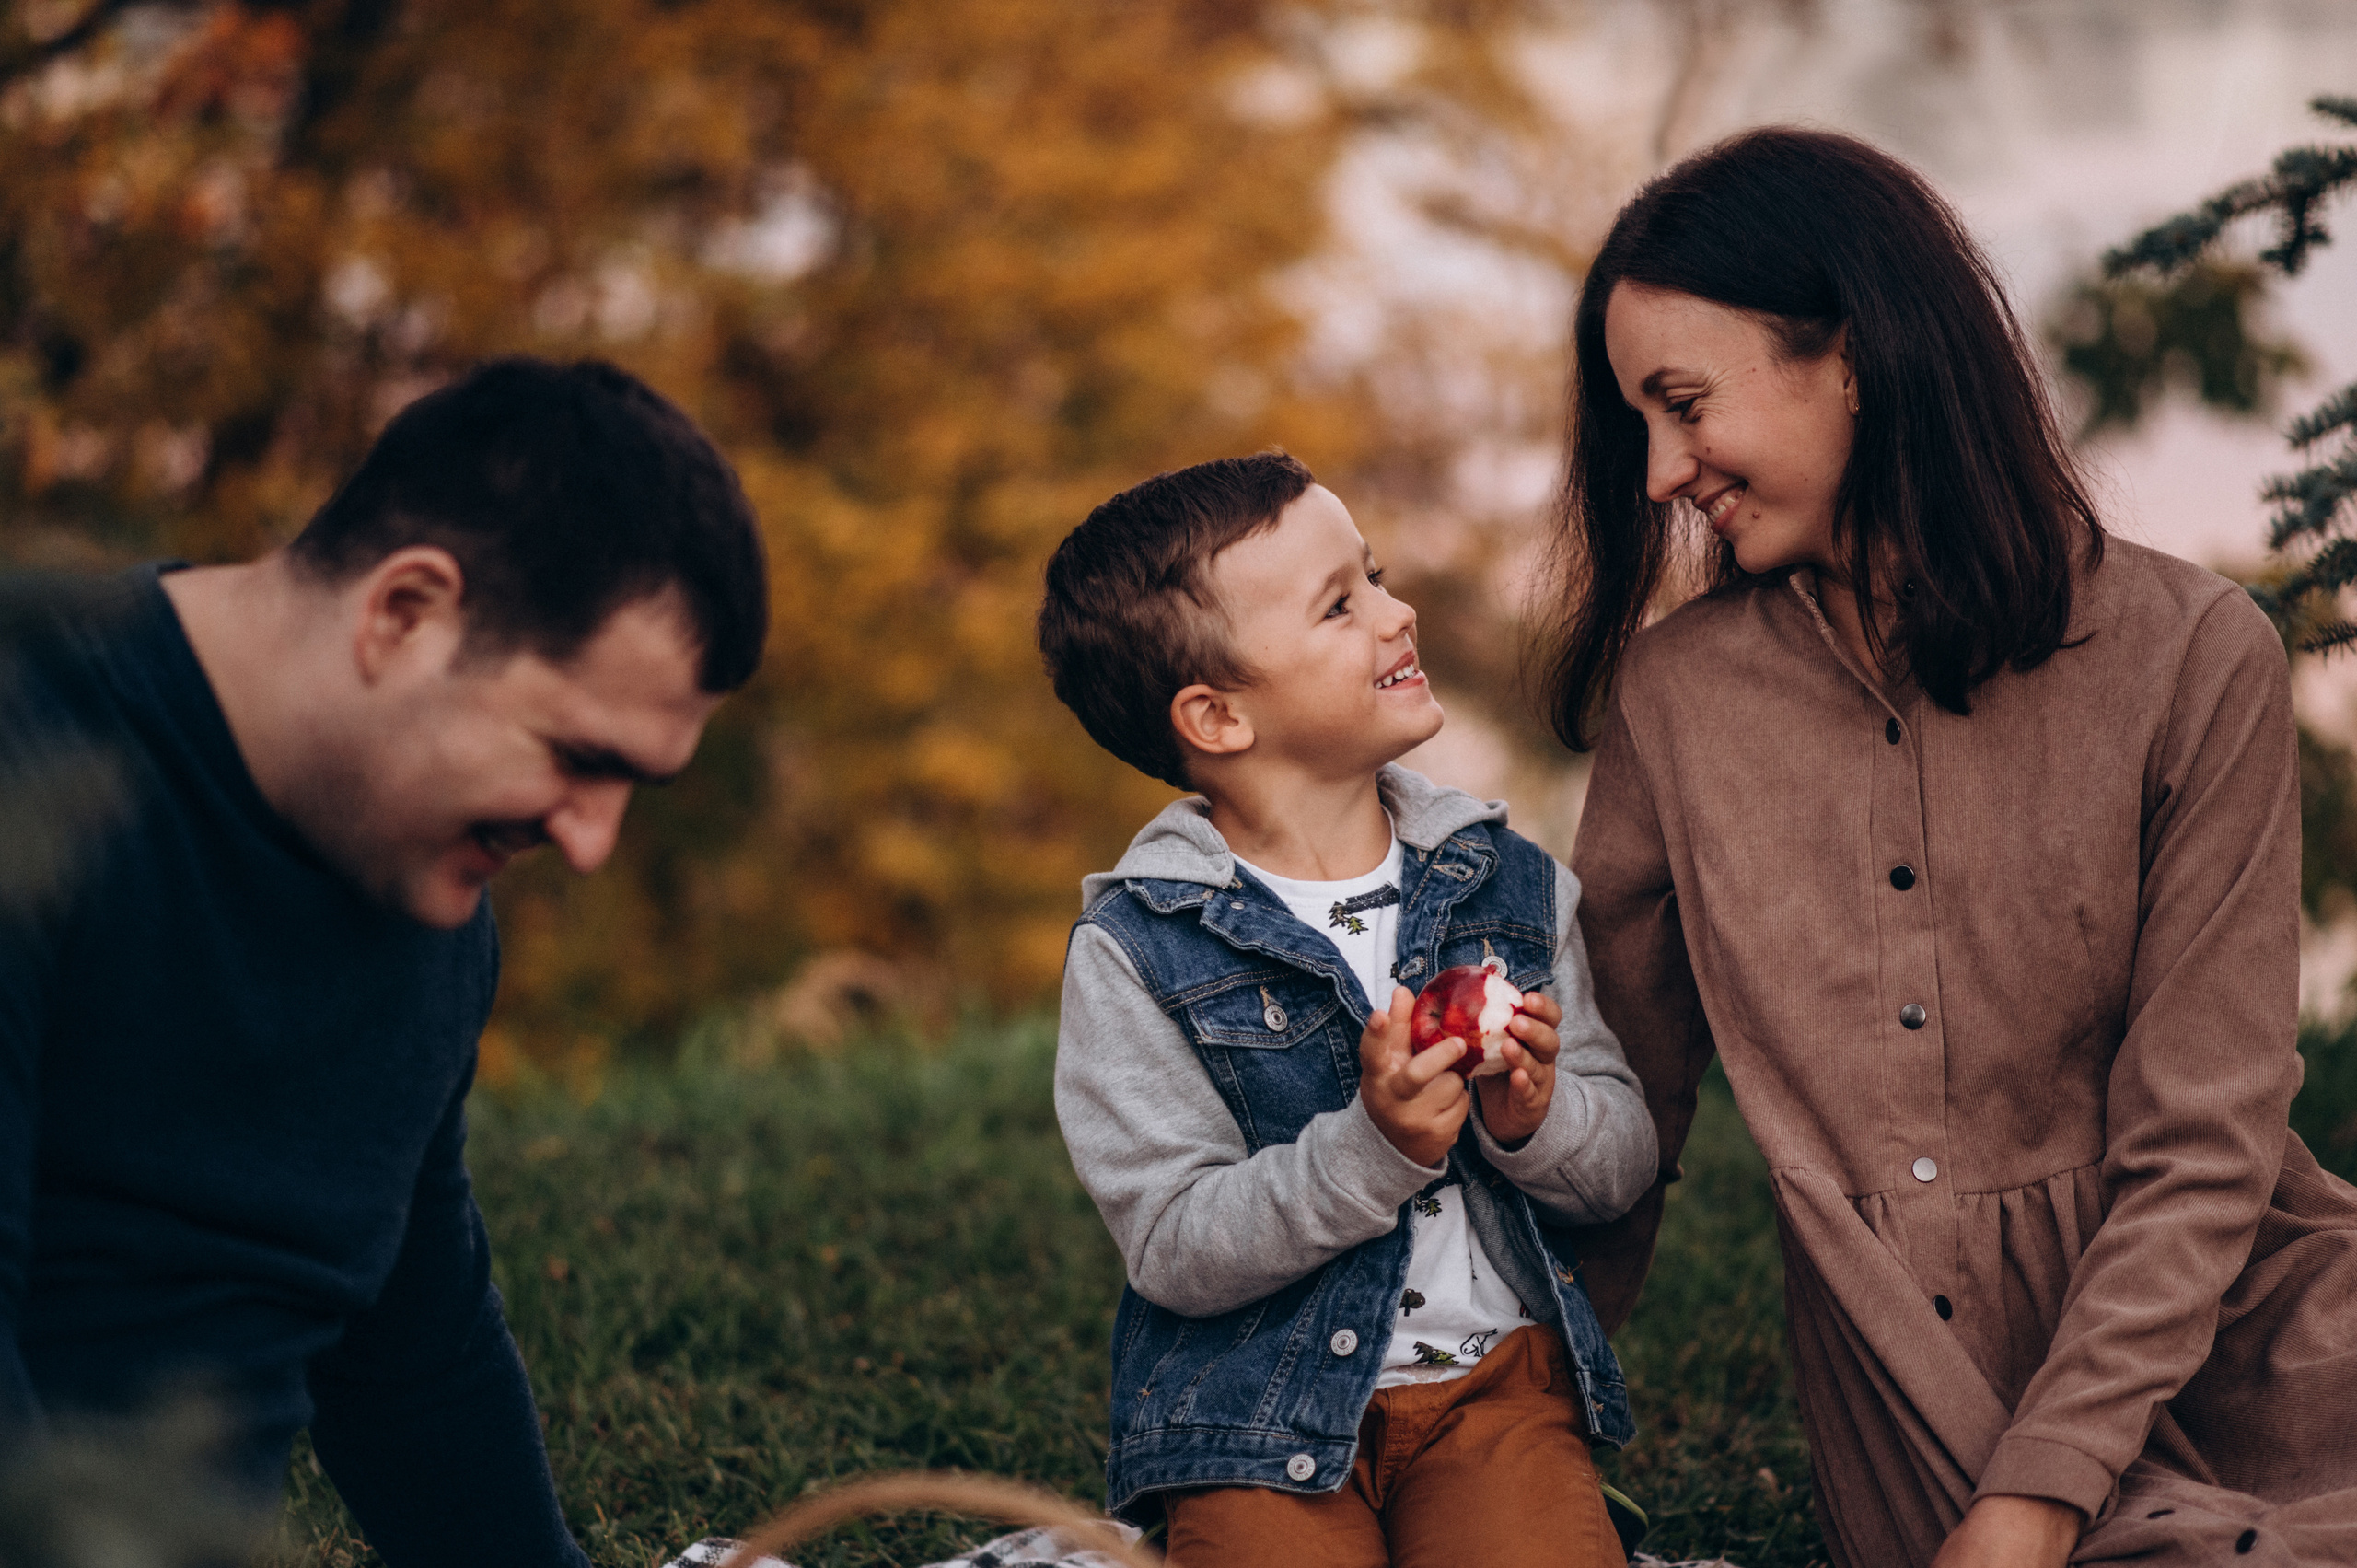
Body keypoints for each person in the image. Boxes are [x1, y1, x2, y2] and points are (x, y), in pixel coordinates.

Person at [1546, 127, 2357, 1568]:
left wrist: (2040, 1490)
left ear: (1853, 351)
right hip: (1924, 1384)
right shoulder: (1677, 699)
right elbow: (1619, 1111)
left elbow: (2207, 1129)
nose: (1663, 470)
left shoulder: (2194, 654)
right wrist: (1486, 1408)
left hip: (2263, 1332)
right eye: (1640, 428)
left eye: (1682, 404)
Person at [0, 357, 769, 1563]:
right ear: (403, 611)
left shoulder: (431, 914)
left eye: (634, 787)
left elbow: (415, 1354)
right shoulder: (30, 752)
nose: (590, 840)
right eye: (577, 754)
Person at [1039, 452, 1657, 1568]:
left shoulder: (1507, 885)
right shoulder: (1135, 949)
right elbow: (1173, 1242)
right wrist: (1369, 1151)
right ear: (1217, 713)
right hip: (1246, 1415)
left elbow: (1619, 1166)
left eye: (1372, 577)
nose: (1396, 611)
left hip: (1492, 1391)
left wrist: (1533, 1117)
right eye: (1341, 603)